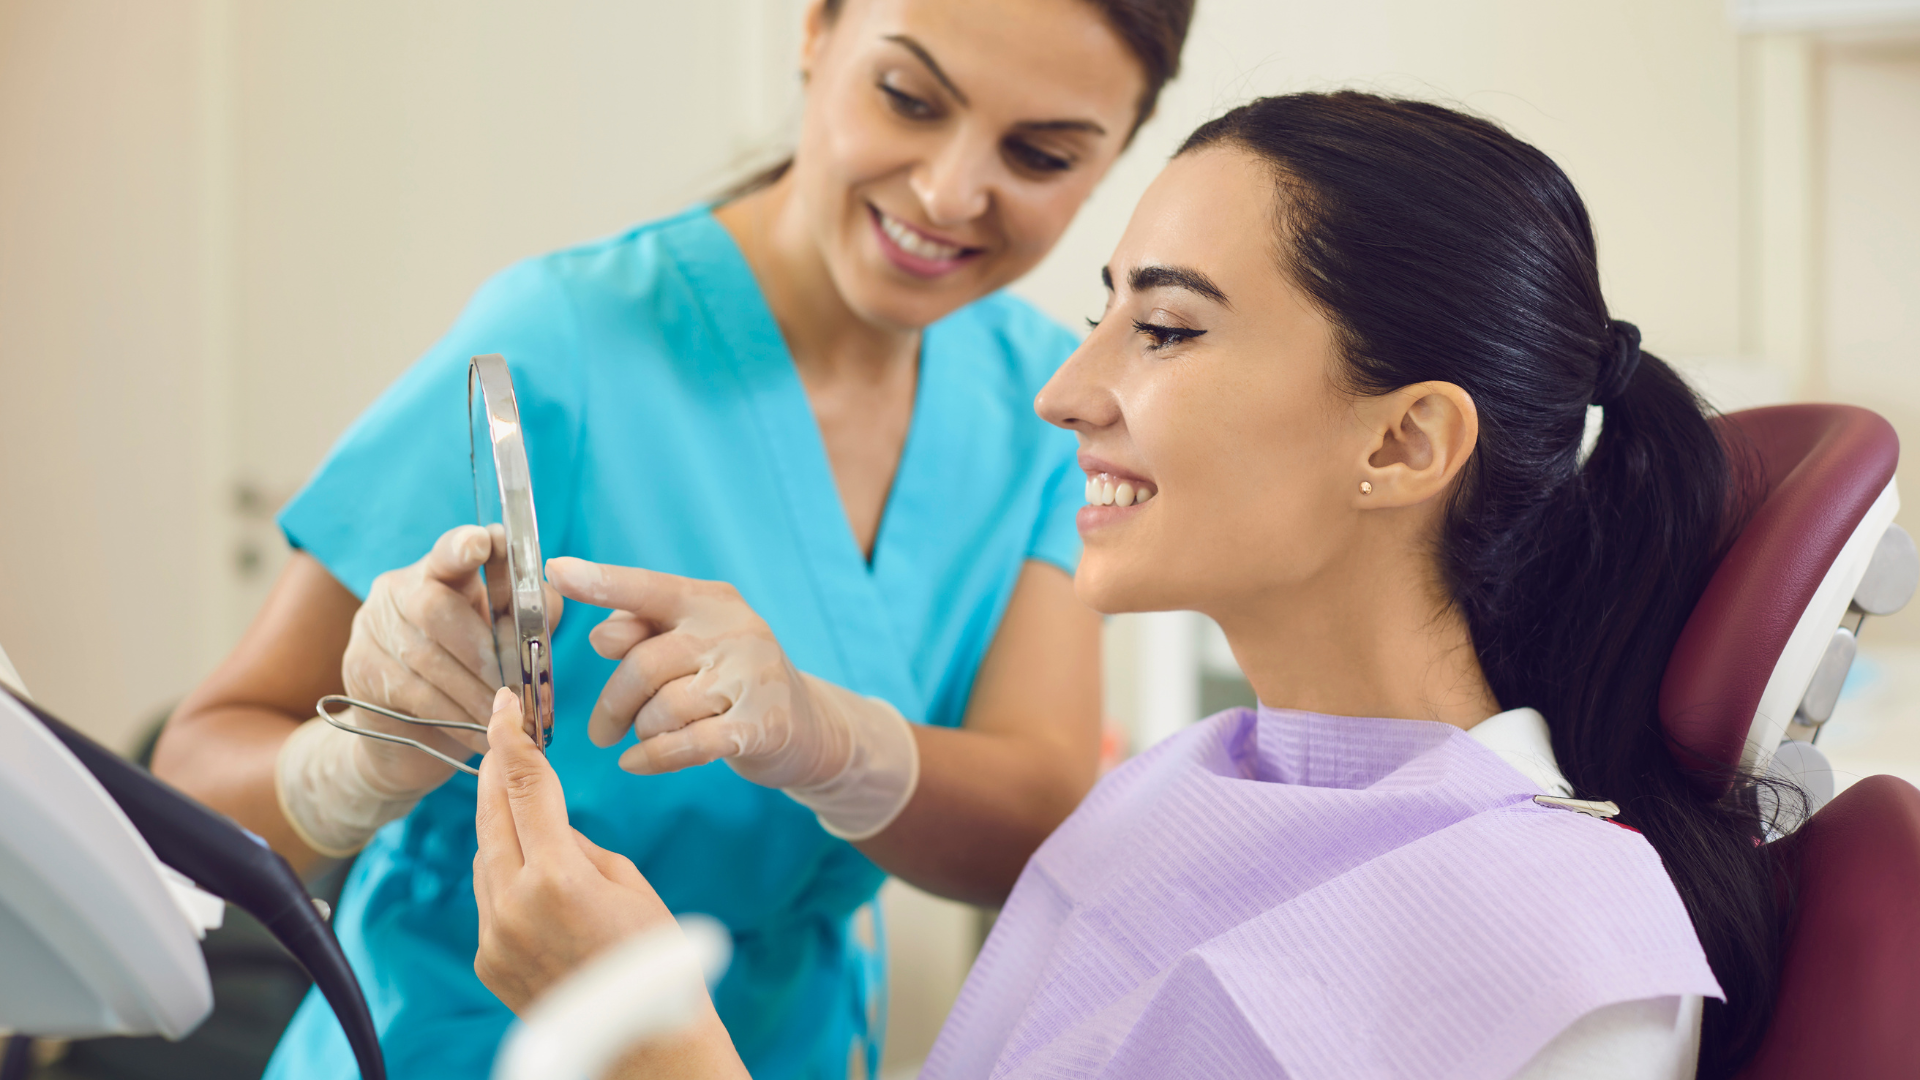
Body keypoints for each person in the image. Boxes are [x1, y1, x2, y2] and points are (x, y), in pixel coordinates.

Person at [464, 92, 1791, 1079]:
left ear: (1403, 442)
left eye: (1164, 329)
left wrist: (648, 1044)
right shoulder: (1171, 794)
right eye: (1105, 310)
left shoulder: (1560, 947)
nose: (1064, 390)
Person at [152, 1, 1197, 1076]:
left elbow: (1036, 823)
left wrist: (830, 741)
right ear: (815, 33)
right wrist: (362, 759)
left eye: (1039, 153)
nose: (947, 191)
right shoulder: (560, 342)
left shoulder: (1048, 403)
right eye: (909, 99)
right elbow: (190, 785)